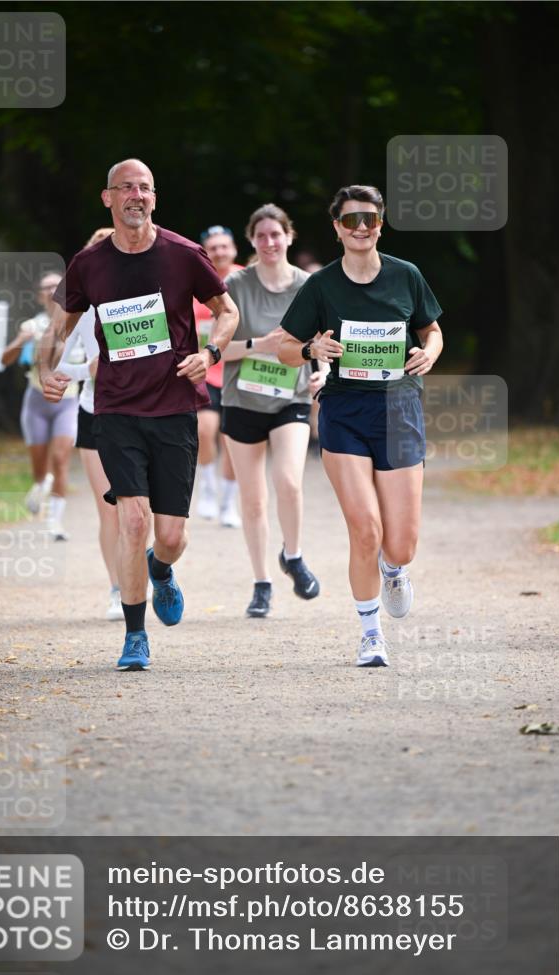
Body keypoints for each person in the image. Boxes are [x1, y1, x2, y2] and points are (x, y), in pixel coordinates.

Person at [39, 158, 239, 672]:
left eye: (145, 187)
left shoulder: (183, 254)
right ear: (107, 198)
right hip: (117, 410)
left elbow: (228, 312)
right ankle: (134, 635)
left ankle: (161, 570)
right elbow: (58, 326)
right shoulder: (89, 263)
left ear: (155, 197)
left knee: (170, 536)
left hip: (174, 409)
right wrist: (46, 370)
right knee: (132, 520)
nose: (136, 195)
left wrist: (211, 353)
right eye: (125, 187)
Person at [278, 184, 443, 667]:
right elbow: (285, 347)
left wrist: (428, 353)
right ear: (337, 228)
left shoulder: (405, 275)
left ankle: (394, 570)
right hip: (345, 412)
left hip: (398, 411)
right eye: (351, 220)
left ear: (380, 224)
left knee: (401, 544)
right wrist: (310, 349)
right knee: (365, 530)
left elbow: (432, 330)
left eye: (369, 219)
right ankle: (371, 635)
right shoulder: (322, 285)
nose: (361, 227)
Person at [222, 204, 323, 619]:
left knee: (289, 481)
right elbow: (213, 349)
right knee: (253, 501)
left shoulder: (308, 285)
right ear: (252, 240)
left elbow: (322, 339)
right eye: (261, 236)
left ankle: (293, 556)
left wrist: (323, 371)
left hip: (290, 397)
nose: (269, 242)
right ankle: (261, 583)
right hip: (242, 400)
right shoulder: (234, 285)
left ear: (289, 237)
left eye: (275, 234)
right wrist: (257, 345)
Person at [57, 226, 124, 620]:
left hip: (138, 412)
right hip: (93, 411)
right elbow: (55, 359)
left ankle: (142, 572)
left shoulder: (142, 300)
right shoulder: (79, 308)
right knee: (109, 509)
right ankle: (117, 589)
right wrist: (88, 369)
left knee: (140, 507)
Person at [1, 272, 81, 540]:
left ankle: (55, 522)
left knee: (60, 459)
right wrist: (21, 341)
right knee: (40, 468)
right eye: (46, 287)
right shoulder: (32, 325)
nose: (51, 291)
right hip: (36, 400)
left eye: (57, 286)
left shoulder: (79, 323)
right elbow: (4, 360)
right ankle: (40, 484)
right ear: (39, 296)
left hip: (67, 401)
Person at [193, 225, 241, 527]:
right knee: (204, 430)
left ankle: (228, 502)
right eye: (213, 247)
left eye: (224, 246)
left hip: (239, 372)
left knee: (233, 441)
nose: (220, 252)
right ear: (206, 253)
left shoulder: (246, 279)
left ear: (233, 249)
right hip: (207, 372)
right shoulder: (196, 280)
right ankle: (208, 487)